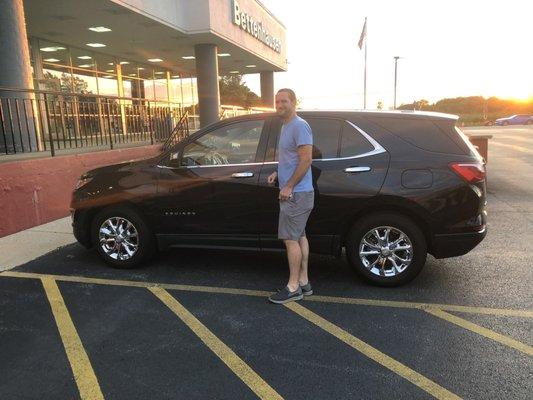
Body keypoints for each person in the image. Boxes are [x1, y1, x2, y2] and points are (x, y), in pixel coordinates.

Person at [268, 88, 315, 304]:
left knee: (290, 239)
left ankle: (293, 287)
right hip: (297, 192)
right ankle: (304, 282)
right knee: (299, 236)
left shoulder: (299, 125)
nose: (279, 105)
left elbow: (306, 160)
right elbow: (292, 158)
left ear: (294, 102)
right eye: (277, 101)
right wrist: (278, 172)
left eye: (284, 101)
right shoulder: (286, 126)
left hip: (296, 194)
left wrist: (288, 186)